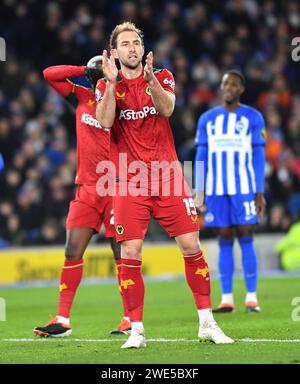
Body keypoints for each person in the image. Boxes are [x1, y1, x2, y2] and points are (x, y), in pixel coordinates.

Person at [95, 21, 234, 348]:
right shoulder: (106, 86)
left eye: (136, 43)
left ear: (142, 49)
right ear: (114, 52)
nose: (132, 48)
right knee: (130, 251)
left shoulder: (163, 76)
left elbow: (168, 108)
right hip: (129, 180)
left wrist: (150, 80)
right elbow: (103, 121)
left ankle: (207, 323)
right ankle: (137, 331)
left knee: (191, 246)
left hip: (168, 176)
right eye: (125, 44)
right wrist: (113, 82)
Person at [34, 56, 131, 337]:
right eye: (95, 67)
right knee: (72, 250)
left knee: (120, 252)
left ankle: (129, 319)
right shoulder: (82, 96)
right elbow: (49, 73)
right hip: (87, 189)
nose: (99, 69)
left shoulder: (119, 99)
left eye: (103, 66)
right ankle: (62, 320)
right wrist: (81, 69)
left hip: (116, 187)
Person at [194, 70, 266, 314]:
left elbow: (258, 156)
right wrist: (199, 189)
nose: (229, 87)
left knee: (246, 235)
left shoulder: (253, 117)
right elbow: (201, 156)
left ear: (241, 89)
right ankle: (226, 298)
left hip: (244, 188)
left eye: (234, 84)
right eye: (225, 83)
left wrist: (259, 191)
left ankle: (252, 297)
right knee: (224, 237)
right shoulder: (207, 119)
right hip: (216, 189)